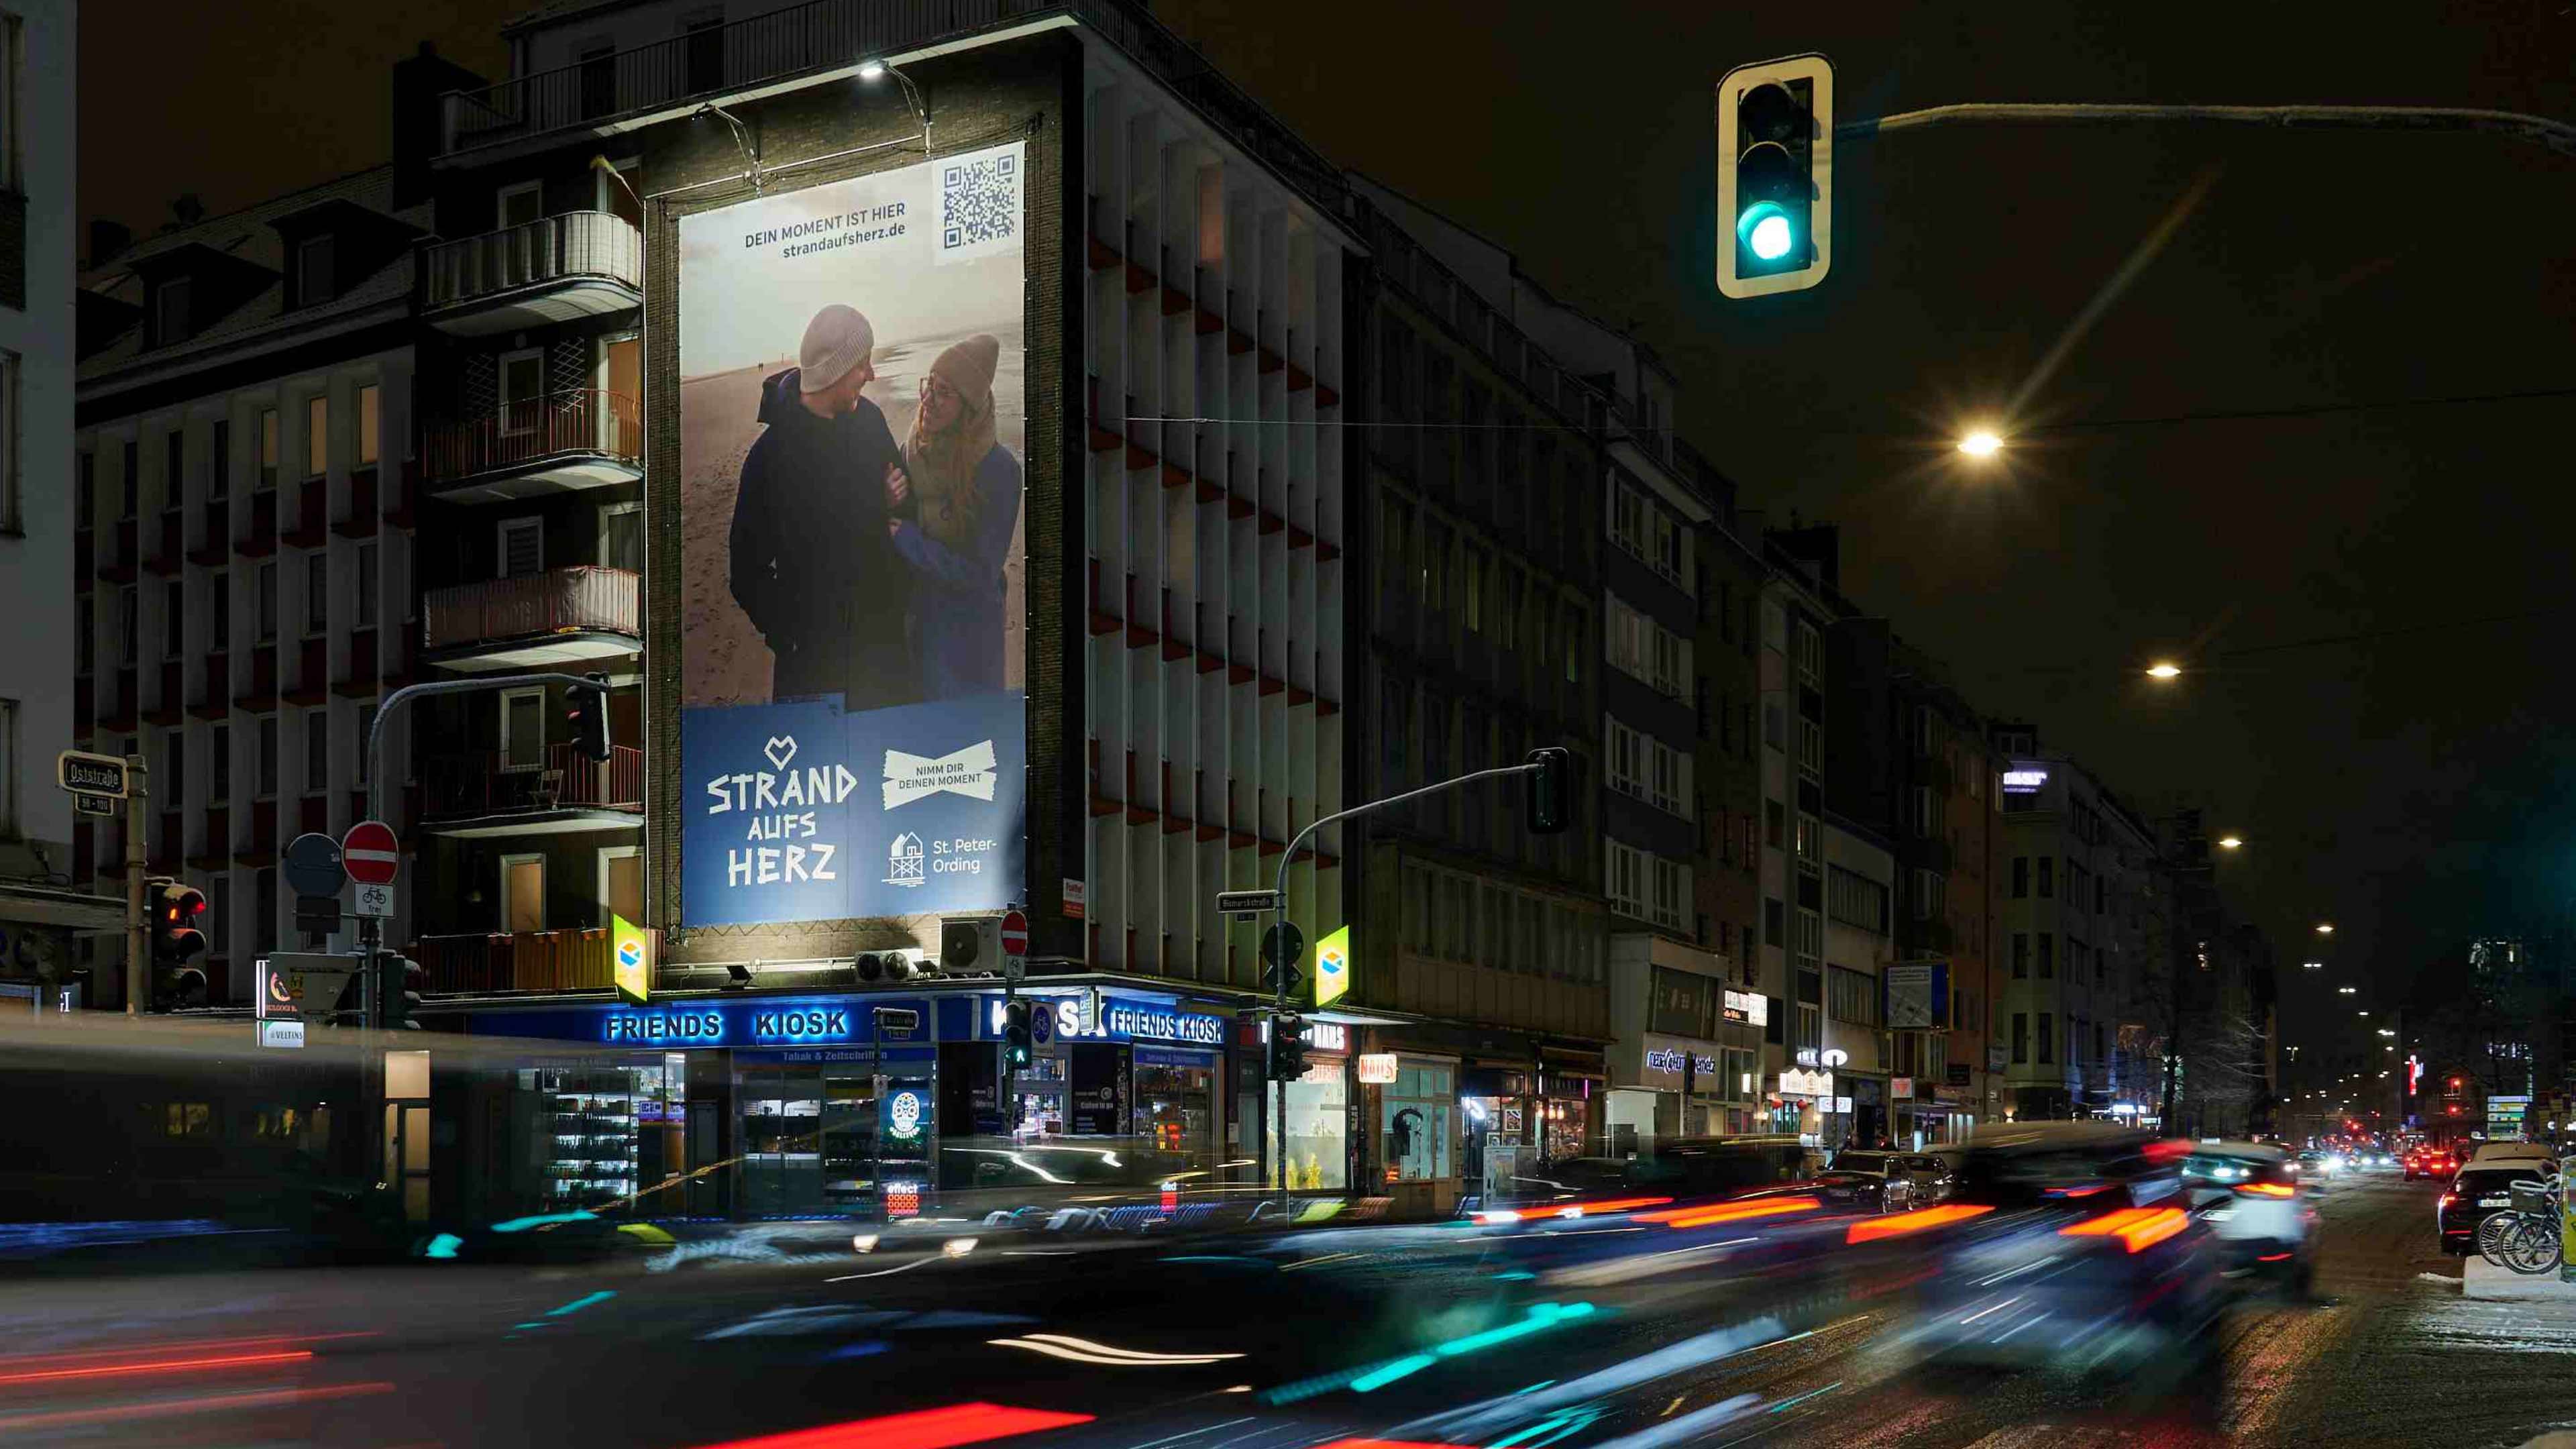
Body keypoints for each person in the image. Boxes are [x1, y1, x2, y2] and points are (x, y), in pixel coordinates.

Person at [729, 304, 916, 708]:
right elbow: (745, 573)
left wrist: (894, 503)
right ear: (834, 369)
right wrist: (792, 637)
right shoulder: (768, 458)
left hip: (884, 652)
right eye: (863, 363)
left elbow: (905, 507)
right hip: (813, 670)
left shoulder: (870, 420)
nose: (872, 374)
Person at [884, 333, 1022, 699]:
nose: (928, 399)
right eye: (930, 384)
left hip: (969, 636)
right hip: (921, 618)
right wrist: (887, 497)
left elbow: (980, 574)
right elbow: (894, 515)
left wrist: (910, 542)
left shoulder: (999, 470)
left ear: (970, 408)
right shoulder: (913, 451)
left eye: (945, 392)